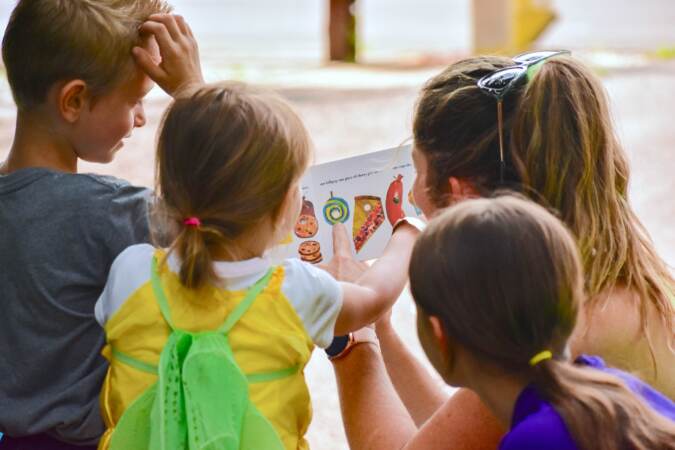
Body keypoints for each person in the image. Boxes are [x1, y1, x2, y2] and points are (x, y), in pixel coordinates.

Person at [324, 51, 675, 449]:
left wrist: (350, 338)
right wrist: (379, 325)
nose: (412, 192)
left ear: (461, 195)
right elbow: (465, 432)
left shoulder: (564, 323)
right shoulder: (597, 282)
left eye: (418, 170)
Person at [94, 82, 419, 450]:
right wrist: (406, 231)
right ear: (284, 205)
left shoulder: (131, 272)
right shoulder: (297, 290)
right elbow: (373, 297)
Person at [0, 2, 203, 447]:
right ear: (73, 100)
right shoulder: (112, 212)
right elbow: (230, 222)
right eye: (134, 99)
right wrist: (192, 95)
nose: (141, 117)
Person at [332, 195, 675, 450]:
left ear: (440, 336)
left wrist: (348, 333)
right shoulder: (613, 387)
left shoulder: (534, 440)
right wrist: (380, 329)